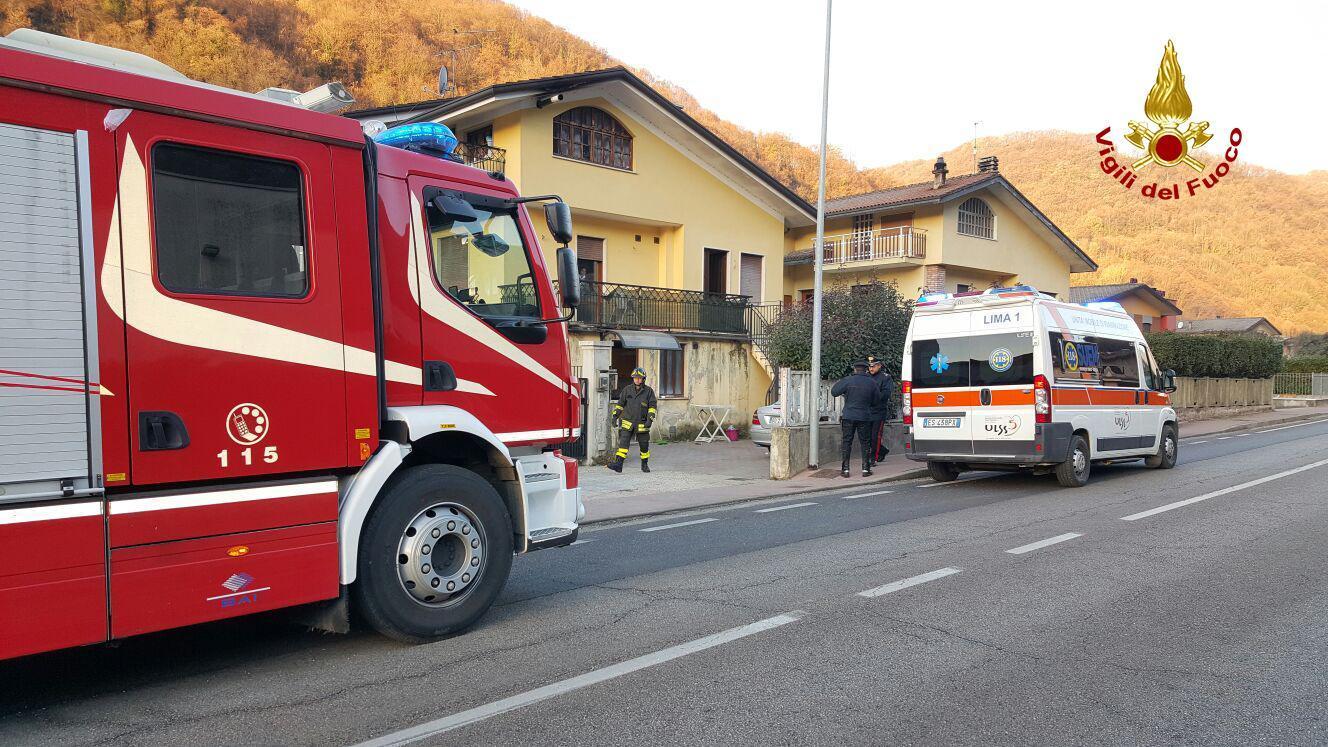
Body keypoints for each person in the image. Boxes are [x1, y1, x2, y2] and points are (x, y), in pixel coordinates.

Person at [830, 360, 880, 478]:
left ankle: (846, 470)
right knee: (865, 442)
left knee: (847, 442)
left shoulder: (848, 380)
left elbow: (834, 392)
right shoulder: (871, 382)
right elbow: (877, 401)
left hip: (849, 415)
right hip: (864, 416)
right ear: (866, 369)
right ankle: (865, 469)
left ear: (855, 369)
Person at [608, 367, 657, 473]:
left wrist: (650, 420)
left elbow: (652, 407)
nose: (637, 380)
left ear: (643, 379)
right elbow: (620, 405)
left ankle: (644, 464)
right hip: (628, 422)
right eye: (635, 378)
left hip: (642, 424)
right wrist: (615, 416)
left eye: (639, 378)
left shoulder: (649, 391)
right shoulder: (627, 390)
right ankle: (619, 465)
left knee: (644, 446)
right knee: (623, 445)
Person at [866, 355, 894, 466]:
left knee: (875, 436)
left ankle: (873, 458)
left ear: (879, 366)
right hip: (867, 411)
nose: (871, 369)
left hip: (878, 411)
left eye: (873, 366)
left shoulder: (885, 378)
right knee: (866, 436)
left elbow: (885, 394)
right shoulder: (866, 376)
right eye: (869, 366)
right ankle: (881, 451)